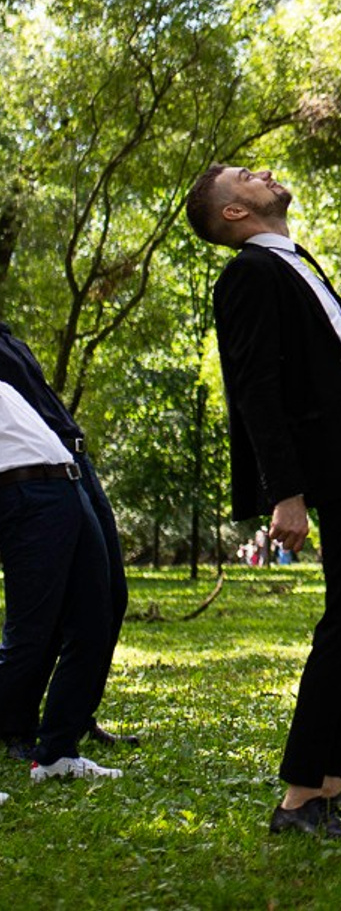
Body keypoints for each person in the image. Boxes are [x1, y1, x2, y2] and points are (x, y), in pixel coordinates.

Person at [185, 164, 341, 838]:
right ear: (232, 213)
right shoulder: (250, 275)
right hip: (334, 461)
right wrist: (285, 492)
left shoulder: (297, 262)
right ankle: (296, 799)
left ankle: (334, 782)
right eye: (245, 175)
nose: (263, 173)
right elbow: (253, 388)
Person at [0, 322, 135, 761]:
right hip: (31, 476)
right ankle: (16, 726)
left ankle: (70, 722)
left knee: (108, 598)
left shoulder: (7, 338)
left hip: (69, 459)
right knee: (40, 618)